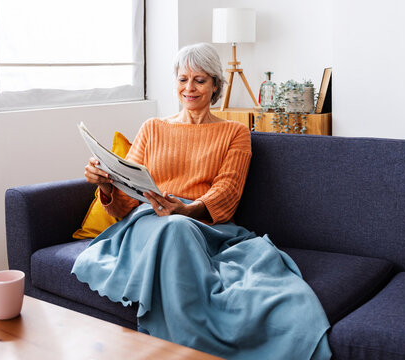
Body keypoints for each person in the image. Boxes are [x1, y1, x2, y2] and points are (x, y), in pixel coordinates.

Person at [72, 43, 331, 360]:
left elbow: (228, 191)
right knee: (173, 228)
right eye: (183, 79)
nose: (189, 88)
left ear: (215, 86)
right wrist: (108, 188)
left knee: (180, 227)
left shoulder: (234, 132)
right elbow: (126, 199)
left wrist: (187, 209)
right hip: (149, 224)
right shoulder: (153, 128)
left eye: (199, 80)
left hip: (207, 227)